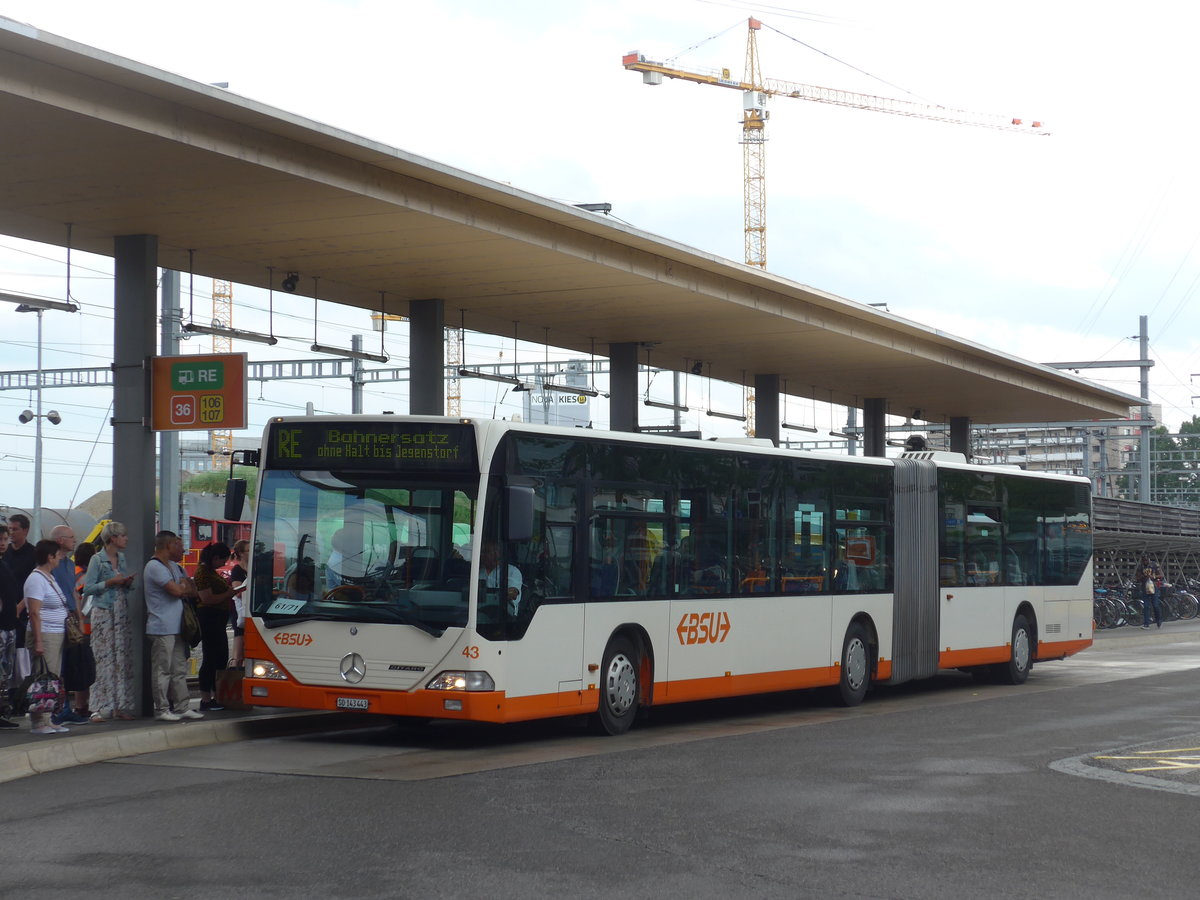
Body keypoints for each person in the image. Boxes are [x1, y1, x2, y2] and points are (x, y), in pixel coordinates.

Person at [143, 531, 204, 722]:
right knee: (162, 669)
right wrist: (183, 587)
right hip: (161, 627)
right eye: (179, 545)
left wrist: (184, 587)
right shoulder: (154, 566)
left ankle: (182, 707)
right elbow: (177, 590)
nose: (183, 549)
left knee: (179, 669)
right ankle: (162, 709)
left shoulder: (175, 567)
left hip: (178, 627)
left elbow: (192, 590)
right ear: (169, 545)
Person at [82, 521, 136, 720]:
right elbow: (88, 588)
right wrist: (110, 582)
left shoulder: (121, 558)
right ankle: (97, 707)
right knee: (102, 658)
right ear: (113, 538)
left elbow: (125, 587)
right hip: (104, 611)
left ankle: (119, 705)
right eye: (123, 535)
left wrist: (127, 583)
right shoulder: (97, 559)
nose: (126, 539)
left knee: (121, 658)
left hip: (120, 611)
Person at [23, 539, 72, 735]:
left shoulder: (48, 577)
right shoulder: (36, 579)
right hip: (45, 634)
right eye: (57, 555)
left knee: (52, 677)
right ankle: (38, 721)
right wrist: (39, 641)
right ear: (50, 557)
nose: (60, 558)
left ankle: (48, 718)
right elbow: (34, 612)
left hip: (55, 634)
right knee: (43, 677)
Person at [193, 542, 244, 711]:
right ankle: (206, 699)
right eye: (223, 560)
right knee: (210, 657)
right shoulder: (202, 573)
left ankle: (217, 695)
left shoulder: (209, 572)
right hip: (210, 618)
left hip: (217, 619)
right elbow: (207, 598)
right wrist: (228, 593)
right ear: (215, 558)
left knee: (220, 657)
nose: (224, 563)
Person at [48, 524, 89, 726]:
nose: (75, 540)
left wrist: (79, 618)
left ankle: (64, 708)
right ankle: (55, 710)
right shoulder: (50, 564)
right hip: (55, 619)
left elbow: (74, 591)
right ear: (60, 540)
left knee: (68, 664)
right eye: (71, 537)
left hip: (70, 618)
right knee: (56, 665)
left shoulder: (70, 565)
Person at [71, 541, 98, 721]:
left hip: (74, 628)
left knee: (77, 667)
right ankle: (82, 706)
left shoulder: (73, 572)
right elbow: (88, 604)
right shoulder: (86, 577)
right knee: (86, 668)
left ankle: (79, 705)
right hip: (86, 628)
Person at [4, 514, 36, 654]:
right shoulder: (4, 553)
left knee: (21, 653)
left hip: (24, 613)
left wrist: (19, 607)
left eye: (15, 529)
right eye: (9, 529)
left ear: (25, 531)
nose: (11, 532)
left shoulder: (34, 553)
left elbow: (35, 586)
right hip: (5, 611)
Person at [0, 525, 21, 728]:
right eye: (0, 539)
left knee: (5, 672)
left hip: (9, 625)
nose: (3, 543)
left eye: (5, 539)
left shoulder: (5, 564)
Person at [481, 540, 522, 616]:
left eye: (487, 552)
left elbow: (513, 593)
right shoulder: (478, 572)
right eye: (482, 552)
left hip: (505, 616)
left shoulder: (512, 571)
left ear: (497, 553)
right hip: (478, 613)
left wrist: (491, 595)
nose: (483, 555)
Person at [228, 539, 249, 668]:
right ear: (241, 553)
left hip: (248, 608)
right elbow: (237, 591)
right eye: (248, 550)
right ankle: (235, 664)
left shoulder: (251, 568)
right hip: (240, 609)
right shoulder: (237, 570)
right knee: (239, 635)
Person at [1138, 556, 1163, 629]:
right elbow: (1137, 577)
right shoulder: (1141, 567)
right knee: (1146, 606)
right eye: (1144, 561)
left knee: (1155, 605)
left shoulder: (1154, 565)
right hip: (1144, 587)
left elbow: (1161, 575)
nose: (1145, 562)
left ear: (1149, 559)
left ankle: (1159, 620)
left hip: (1154, 587)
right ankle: (1146, 624)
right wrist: (1143, 576)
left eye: (1146, 560)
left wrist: (1153, 577)